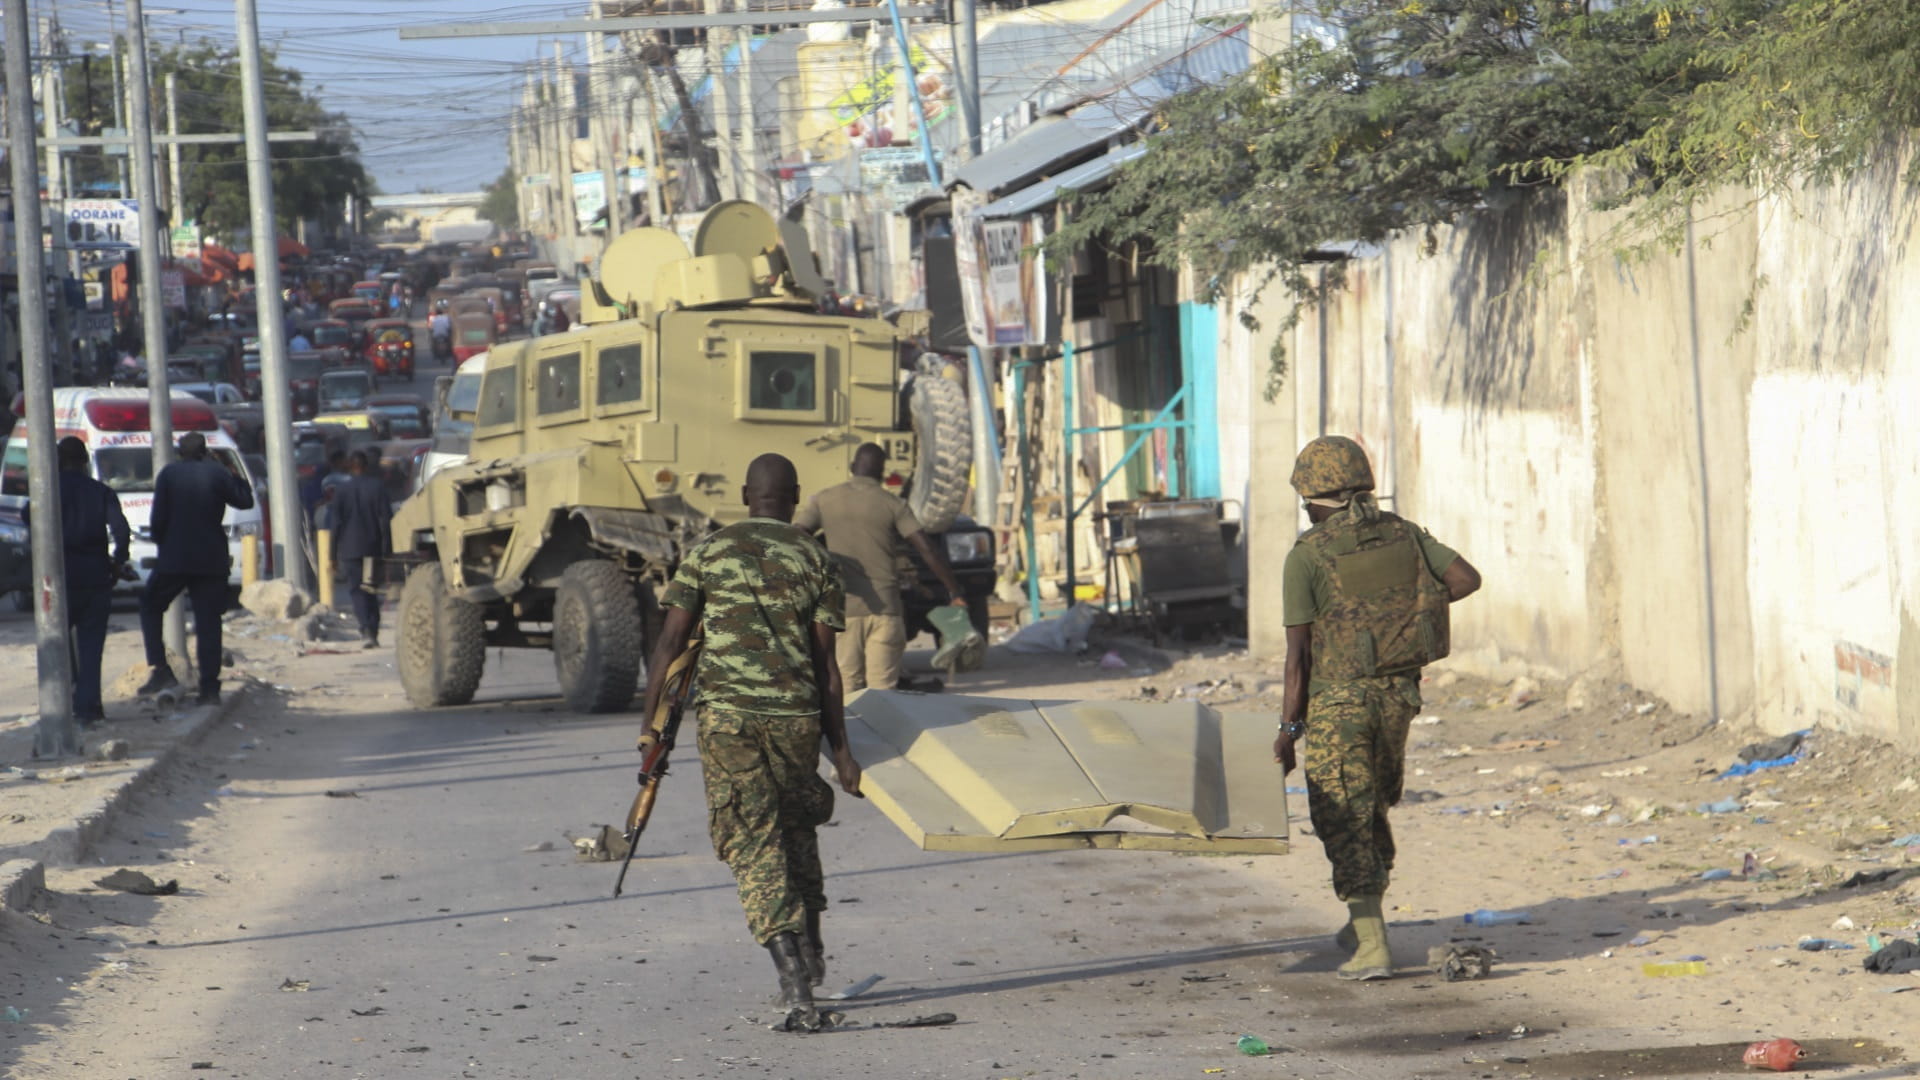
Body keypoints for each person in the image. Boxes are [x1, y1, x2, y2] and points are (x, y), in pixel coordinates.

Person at [638, 453, 862, 1033]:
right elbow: (827, 665)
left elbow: (669, 644)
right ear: (794, 497)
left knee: (753, 841)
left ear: (745, 495)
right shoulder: (816, 557)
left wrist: (651, 729)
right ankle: (810, 953)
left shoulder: (708, 552)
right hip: (797, 720)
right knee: (794, 828)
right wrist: (840, 749)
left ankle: (793, 982)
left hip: (729, 722)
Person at [1274, 436, 1481, 982]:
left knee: (1343, 814)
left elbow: (1298, 656)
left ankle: (1372, 946)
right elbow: (1464, 580)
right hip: (1398, 698)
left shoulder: (1309, 555)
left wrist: (1287, 730)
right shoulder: (1404, 534)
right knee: (1373, 807)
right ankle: (1361, 921)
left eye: (1306, 499)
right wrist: (1402, 617)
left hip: (1338, 703)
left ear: (1318, 497)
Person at [793, 443, 966, 692]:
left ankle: (850, 732)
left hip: (844, 608)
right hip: (887, 610)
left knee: (847, 686)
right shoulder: (893, 504)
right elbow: (927, 548)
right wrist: (955, 591)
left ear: (852, 468)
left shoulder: (823, 499)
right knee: (883, 691)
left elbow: (798, 535)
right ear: (882, 474)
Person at [137, 432, 255, 705]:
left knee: (151, 605)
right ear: (205, 452)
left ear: (180, 451)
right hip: (211, 559)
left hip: (175, 558)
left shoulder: (169, 474)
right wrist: (232, 472)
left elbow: (158, 519)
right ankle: (209, 689)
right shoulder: (217, 473)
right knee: (208, 624)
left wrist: (164, 544)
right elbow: (245, 500)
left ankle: (160, 668)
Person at [23, 438, 131, 723]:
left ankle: (62, 707)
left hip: (56, 579)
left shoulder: (46, 490)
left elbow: (26, 517)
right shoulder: (100, 491)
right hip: (96, 577)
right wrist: (119, 562)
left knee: (56, 644)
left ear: (57, 460)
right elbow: (121, 530)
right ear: (84, 462)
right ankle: (88, 709)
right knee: (91, 648)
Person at [330, 449, 392, 647]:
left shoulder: (341, 491)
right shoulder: (378, 487)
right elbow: (386, 520)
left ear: (350, 466)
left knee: (357, 591)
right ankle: (372, 629)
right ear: (365, 466)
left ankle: (365, 628)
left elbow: (336, 524)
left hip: (350, 549)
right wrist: (387, 550)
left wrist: (332, 555)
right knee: (372, 589)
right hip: (373, 547)